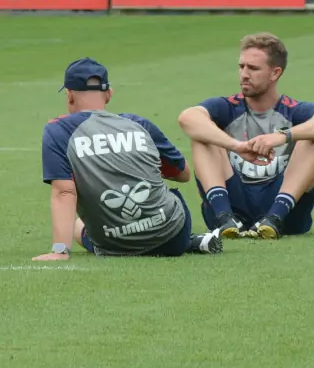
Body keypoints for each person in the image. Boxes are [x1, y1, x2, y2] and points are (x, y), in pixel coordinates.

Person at [34, 58, 222, 261]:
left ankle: (191, 241)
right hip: (173, 236)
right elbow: (183, 174)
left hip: (115, 243)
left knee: (75, 225)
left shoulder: (58, 130)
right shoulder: (138, 123)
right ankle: (192, 241)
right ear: (109, 94)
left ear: (69, 95)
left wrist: (60, 251)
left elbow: (64, 191)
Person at [177, 33, 314, 239]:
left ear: (275, 73)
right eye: (241, 67)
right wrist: (236, 146)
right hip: (234, 204)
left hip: (288, 214)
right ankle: (224, 217)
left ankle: (275, 218)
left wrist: (282, 137)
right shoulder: (227, 107)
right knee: (203, 134)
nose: (244, 74)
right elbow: (187, 118)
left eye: (253, 68)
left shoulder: (293, 110)